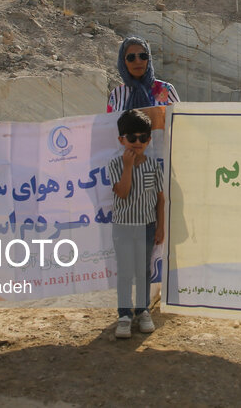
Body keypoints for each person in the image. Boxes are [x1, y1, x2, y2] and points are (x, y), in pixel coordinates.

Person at [107, 109, 165, 338]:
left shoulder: (153, 166)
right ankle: (124, 314)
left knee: (143, 271)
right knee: (125, 272)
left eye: (143, 138)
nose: (137, 142)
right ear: (122, 139)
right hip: (123, 227)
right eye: (132, 138)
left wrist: (160, 227)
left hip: (147, 227)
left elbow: (160, 199)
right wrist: (128, 167)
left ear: (149, 140)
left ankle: (142, 311)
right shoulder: (115, 165)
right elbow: (122, 193)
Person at [107, 36, 179, 113]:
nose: (138, 61)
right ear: (123, 62)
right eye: (131, 57)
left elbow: (180, 120)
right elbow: (109, 123)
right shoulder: (116, 94)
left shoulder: (166, 89)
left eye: (143, 56)